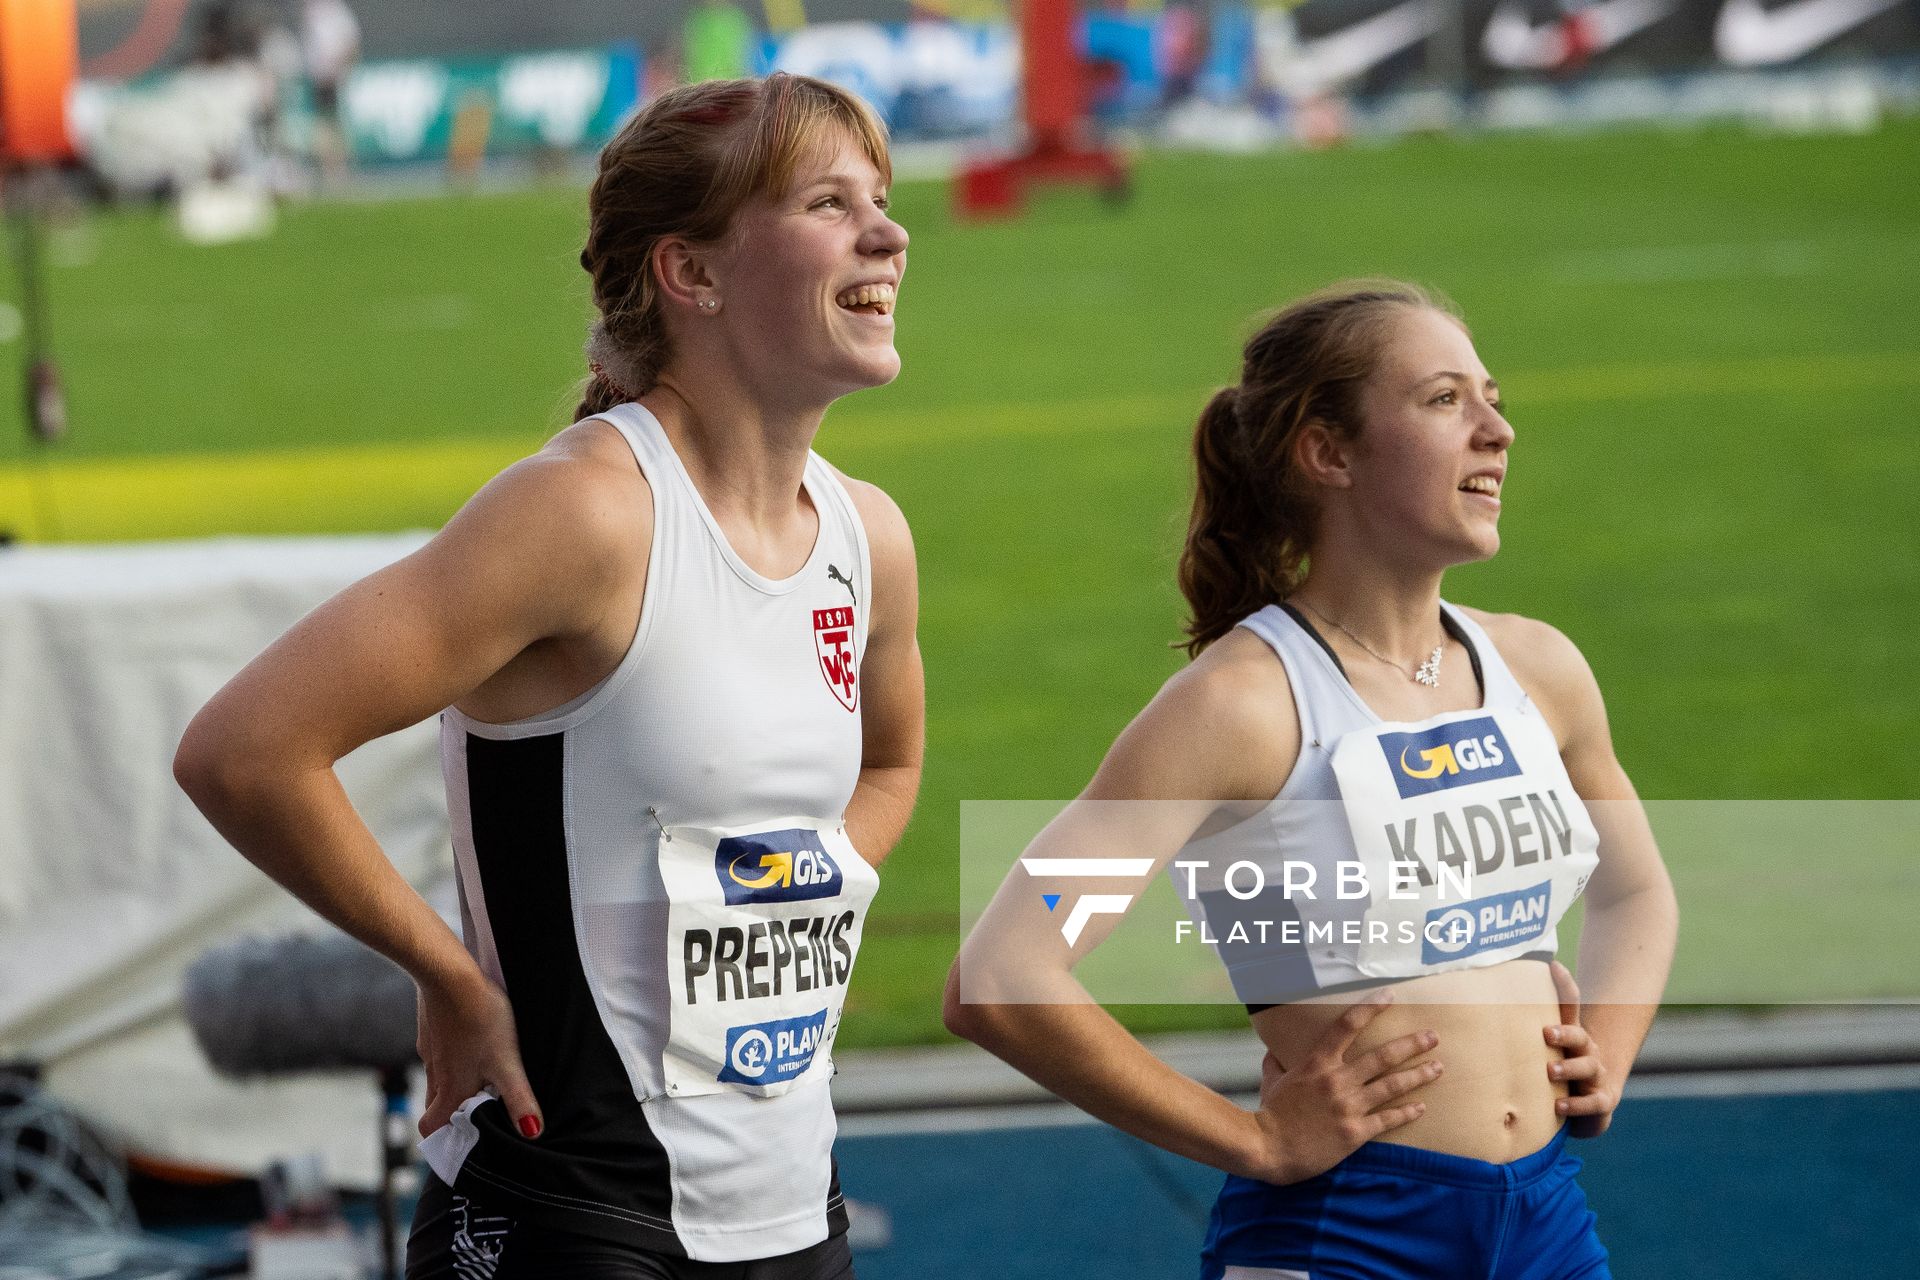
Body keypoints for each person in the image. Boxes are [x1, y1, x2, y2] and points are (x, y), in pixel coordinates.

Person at [176, 72, 921, 1278]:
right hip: (570, 1217)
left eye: (880, 201)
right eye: (830, 203)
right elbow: (245, 748)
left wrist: (794, 891)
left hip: (793, 1213)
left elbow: (890, 761)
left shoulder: (868, 534)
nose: (889, 233)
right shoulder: (583, 514)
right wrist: (446, 969)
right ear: (694, 272)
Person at [945, 282, 1677, 1279]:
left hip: (1545, 1218)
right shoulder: (1239, 706)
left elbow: (1636, 888)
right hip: (1347, 1232)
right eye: (1444, 400)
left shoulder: (1540, 671)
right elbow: (1002, 977)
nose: (1498, 430)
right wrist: (1253, 1141)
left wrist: (1611, 1047)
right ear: (1328, 452)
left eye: (1493, 398)